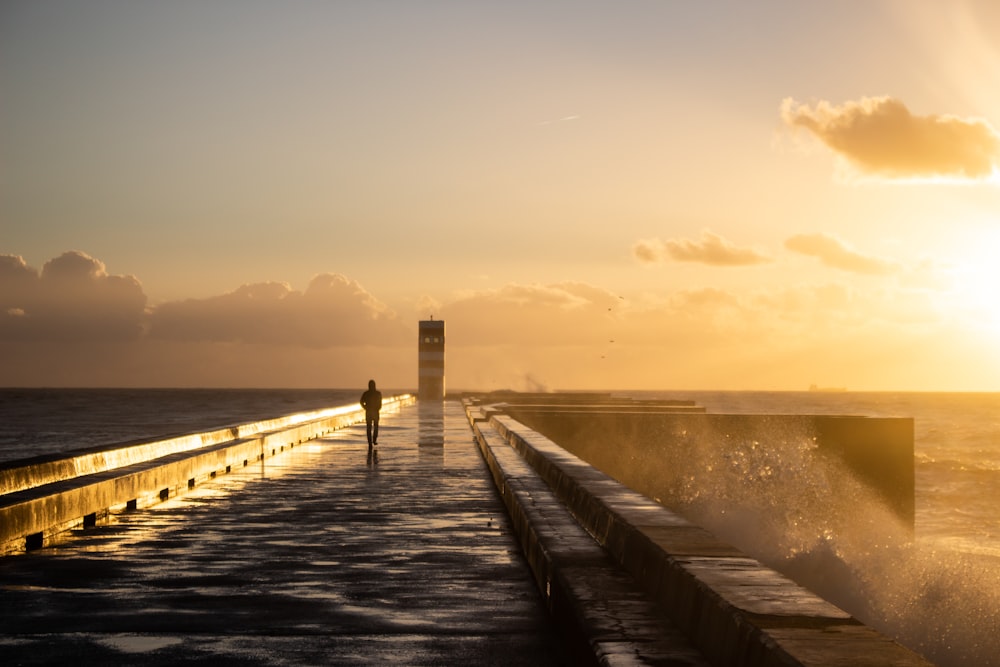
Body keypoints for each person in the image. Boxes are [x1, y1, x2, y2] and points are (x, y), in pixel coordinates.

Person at [360, 379, 383, 453]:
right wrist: (377, 408)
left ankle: (371, 441)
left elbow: (361, 402)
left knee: (370, 427)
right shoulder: (377, 393)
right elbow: (380, 403)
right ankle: (373, 440)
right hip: (374, 412)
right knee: (374, 427)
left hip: (370, 412)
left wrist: (365, 408)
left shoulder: (366, 393)